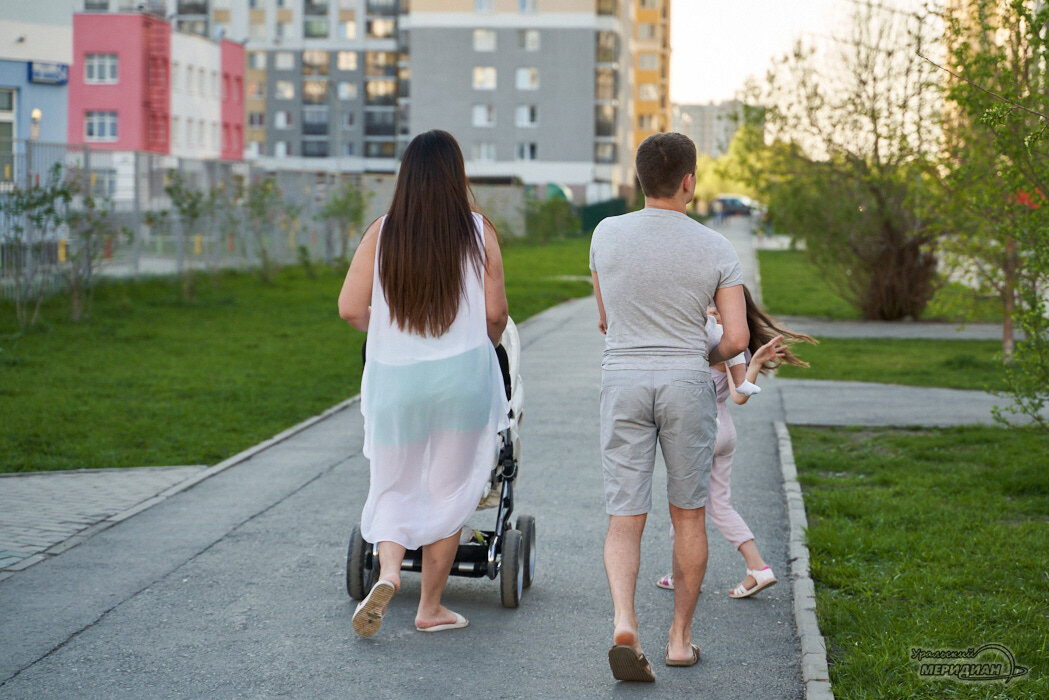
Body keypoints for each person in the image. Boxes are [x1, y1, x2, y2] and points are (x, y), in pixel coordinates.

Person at [589, 132, 749, 682]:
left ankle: (624, 623)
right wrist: (698, 349)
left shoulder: (605, 234)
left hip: (624, 380)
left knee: (625, 516)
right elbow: (736, 337)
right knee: (688, 513)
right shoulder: (716, 248)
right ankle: (680, 640)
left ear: (639, 180)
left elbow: (606, 319)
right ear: (689, 181)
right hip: (685, 382)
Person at [337, 130, 509, 638]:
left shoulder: (382, 232)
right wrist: (488, 341)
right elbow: (496, 314)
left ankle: (389, 572)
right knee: (449, 490)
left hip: (395, 382)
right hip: (461, 380)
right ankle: (430, 608)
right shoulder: (479, 231)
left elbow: (349, 308)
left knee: (393, 481)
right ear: (457, 176)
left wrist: (392, 330)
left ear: (405, 176)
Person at [655, 286, 815, 598]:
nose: (710, 314)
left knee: (683, 506)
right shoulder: (734, 344)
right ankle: (757, 568)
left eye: (713, 309)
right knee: (718, 504)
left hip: (699, 433)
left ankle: (683, 575)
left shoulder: (710, 339)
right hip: (725, 431)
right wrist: (753, 364)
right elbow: (740, 396)